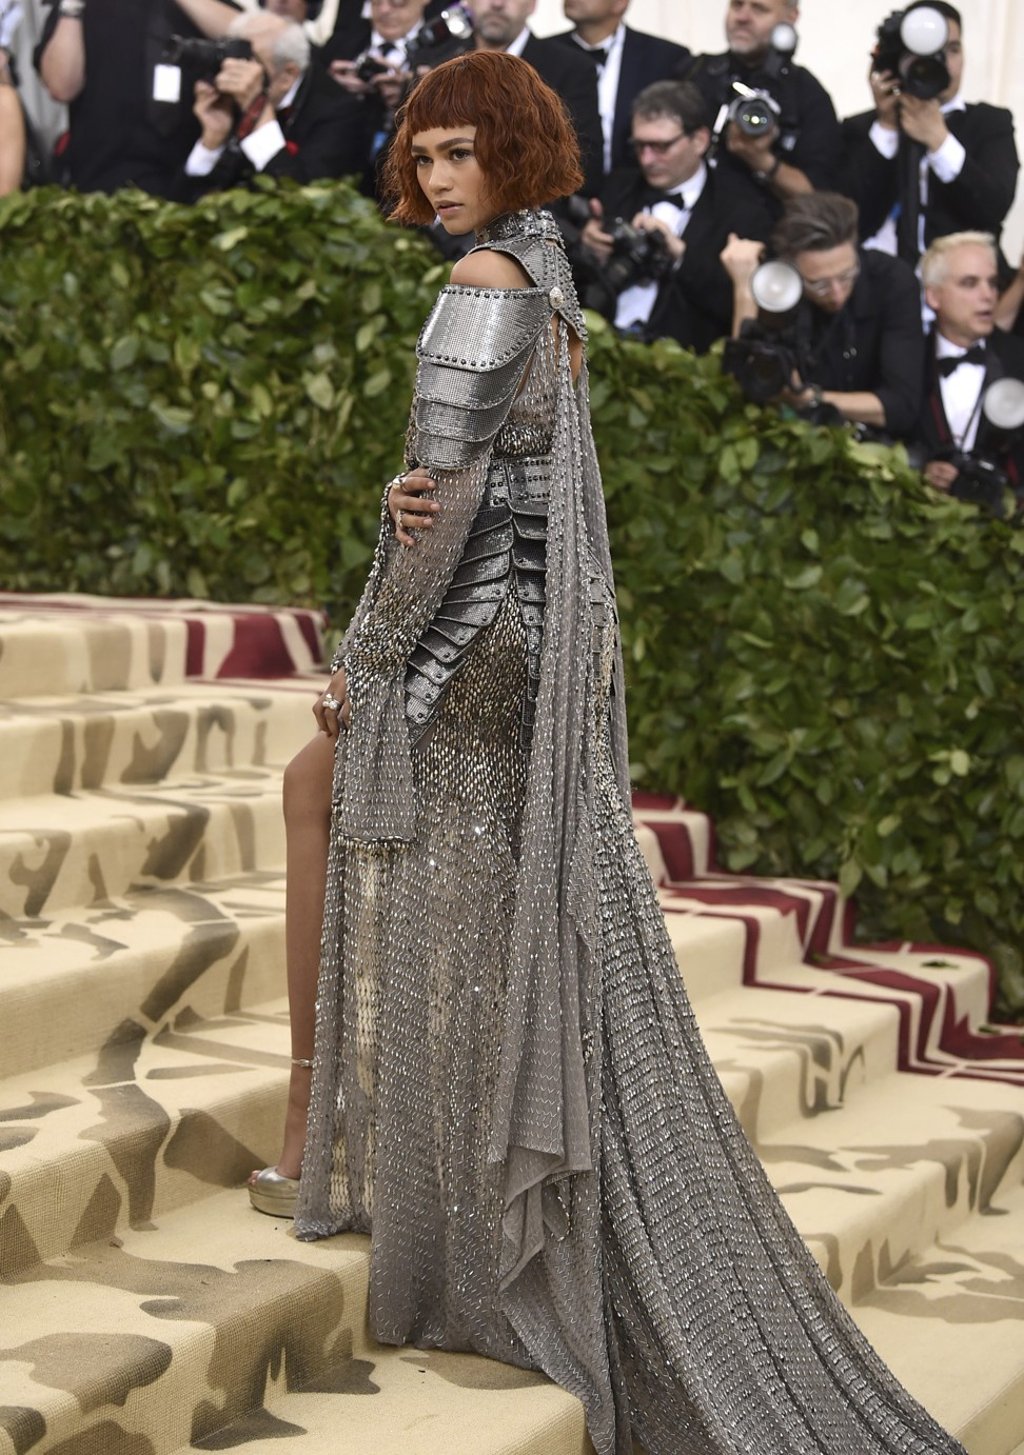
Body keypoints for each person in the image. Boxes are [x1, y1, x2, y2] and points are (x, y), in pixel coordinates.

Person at [248, 47, 967, 1455]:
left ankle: (316, 1129)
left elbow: (437, 504)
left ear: (515, 152)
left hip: (472, 631)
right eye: (427, 152)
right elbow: (481, 478)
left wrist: (367, 659)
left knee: (331, 797)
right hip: (532, 637)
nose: (438, 176)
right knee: (462, 888)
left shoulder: (483, 285)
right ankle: (380, 1144)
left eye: (462, 151)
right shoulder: (551, 277)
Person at [577, 79, 773, 349]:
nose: (646, 160)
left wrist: (681, 256)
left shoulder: (741, 211)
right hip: (600, 348)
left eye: (661, 147)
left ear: (699, 140)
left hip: (687, 360)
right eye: (640, 146)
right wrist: (589, 247)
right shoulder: (619, 187)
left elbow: (739, 304)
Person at [722, 191, 924, 437]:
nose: (837, 294)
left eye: (847, 276)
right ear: (791, 269)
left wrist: (809, 398)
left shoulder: (892, 281)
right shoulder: (776, 284)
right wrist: (745, 291)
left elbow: (902, 406)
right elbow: (741, 391)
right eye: (819, 285)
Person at [840, 2, 1019, 271]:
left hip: (963, 285)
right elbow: (846, 222)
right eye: (927, 51)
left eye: (953, 49)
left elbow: (992, 209)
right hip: (877, 281)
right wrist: (887, 127)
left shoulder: (990, 122)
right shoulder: (860, 128)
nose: (943, 62)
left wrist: (939, 140)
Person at [34, 0, 242, 196]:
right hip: (99, 185)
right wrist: (71, 7)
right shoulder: (80, 9)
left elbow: (250, 40)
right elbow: (61, 87)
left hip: (192, 178)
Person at [685, 0, 842, 212]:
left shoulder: (807, 94)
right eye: (737, 5)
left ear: (791, 16)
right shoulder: (695, 74)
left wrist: (761, 160)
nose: (742, 17)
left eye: (759, 9)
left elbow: (821, 197)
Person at [181, 10, 356, 193]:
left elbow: (302, 202)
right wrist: (212, 142)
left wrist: (258, 114)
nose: (231, 71)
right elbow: (183, 205)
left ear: (288, 75)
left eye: (249, 61)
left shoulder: (340, 113)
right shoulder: (229, 101)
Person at [914, 231, 1024, 501]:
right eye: (969, 283)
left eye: (993, 283)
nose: (987, 295)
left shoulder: (1018, 360)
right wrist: (918, 470)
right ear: (933, 297)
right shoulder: (908, 359)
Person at [463, 0, 603, 195]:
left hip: (534, 208)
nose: (497, 3)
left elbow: (584, 162)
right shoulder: (437, 59)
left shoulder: (572, 68)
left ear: (532, 5)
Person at [551, 0, 690, 178]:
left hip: (637, 192)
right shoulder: (541, 54)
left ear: (620, 3)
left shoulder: (666, 57)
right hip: (559, 190)